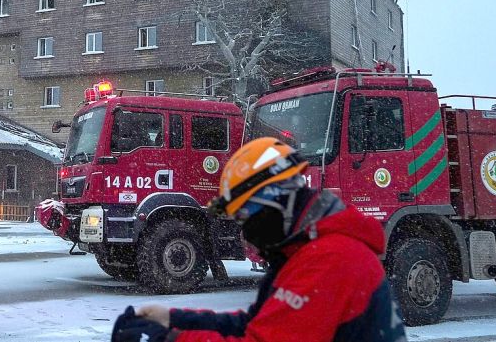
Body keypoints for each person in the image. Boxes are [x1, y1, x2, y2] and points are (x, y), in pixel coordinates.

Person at [111, 137, 407, 342]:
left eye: (245, 216)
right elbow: (255, 324)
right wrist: (175, 319)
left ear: (275, 202)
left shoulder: (331, 258)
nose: (245, 232)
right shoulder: (302, 251)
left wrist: (168, 339)